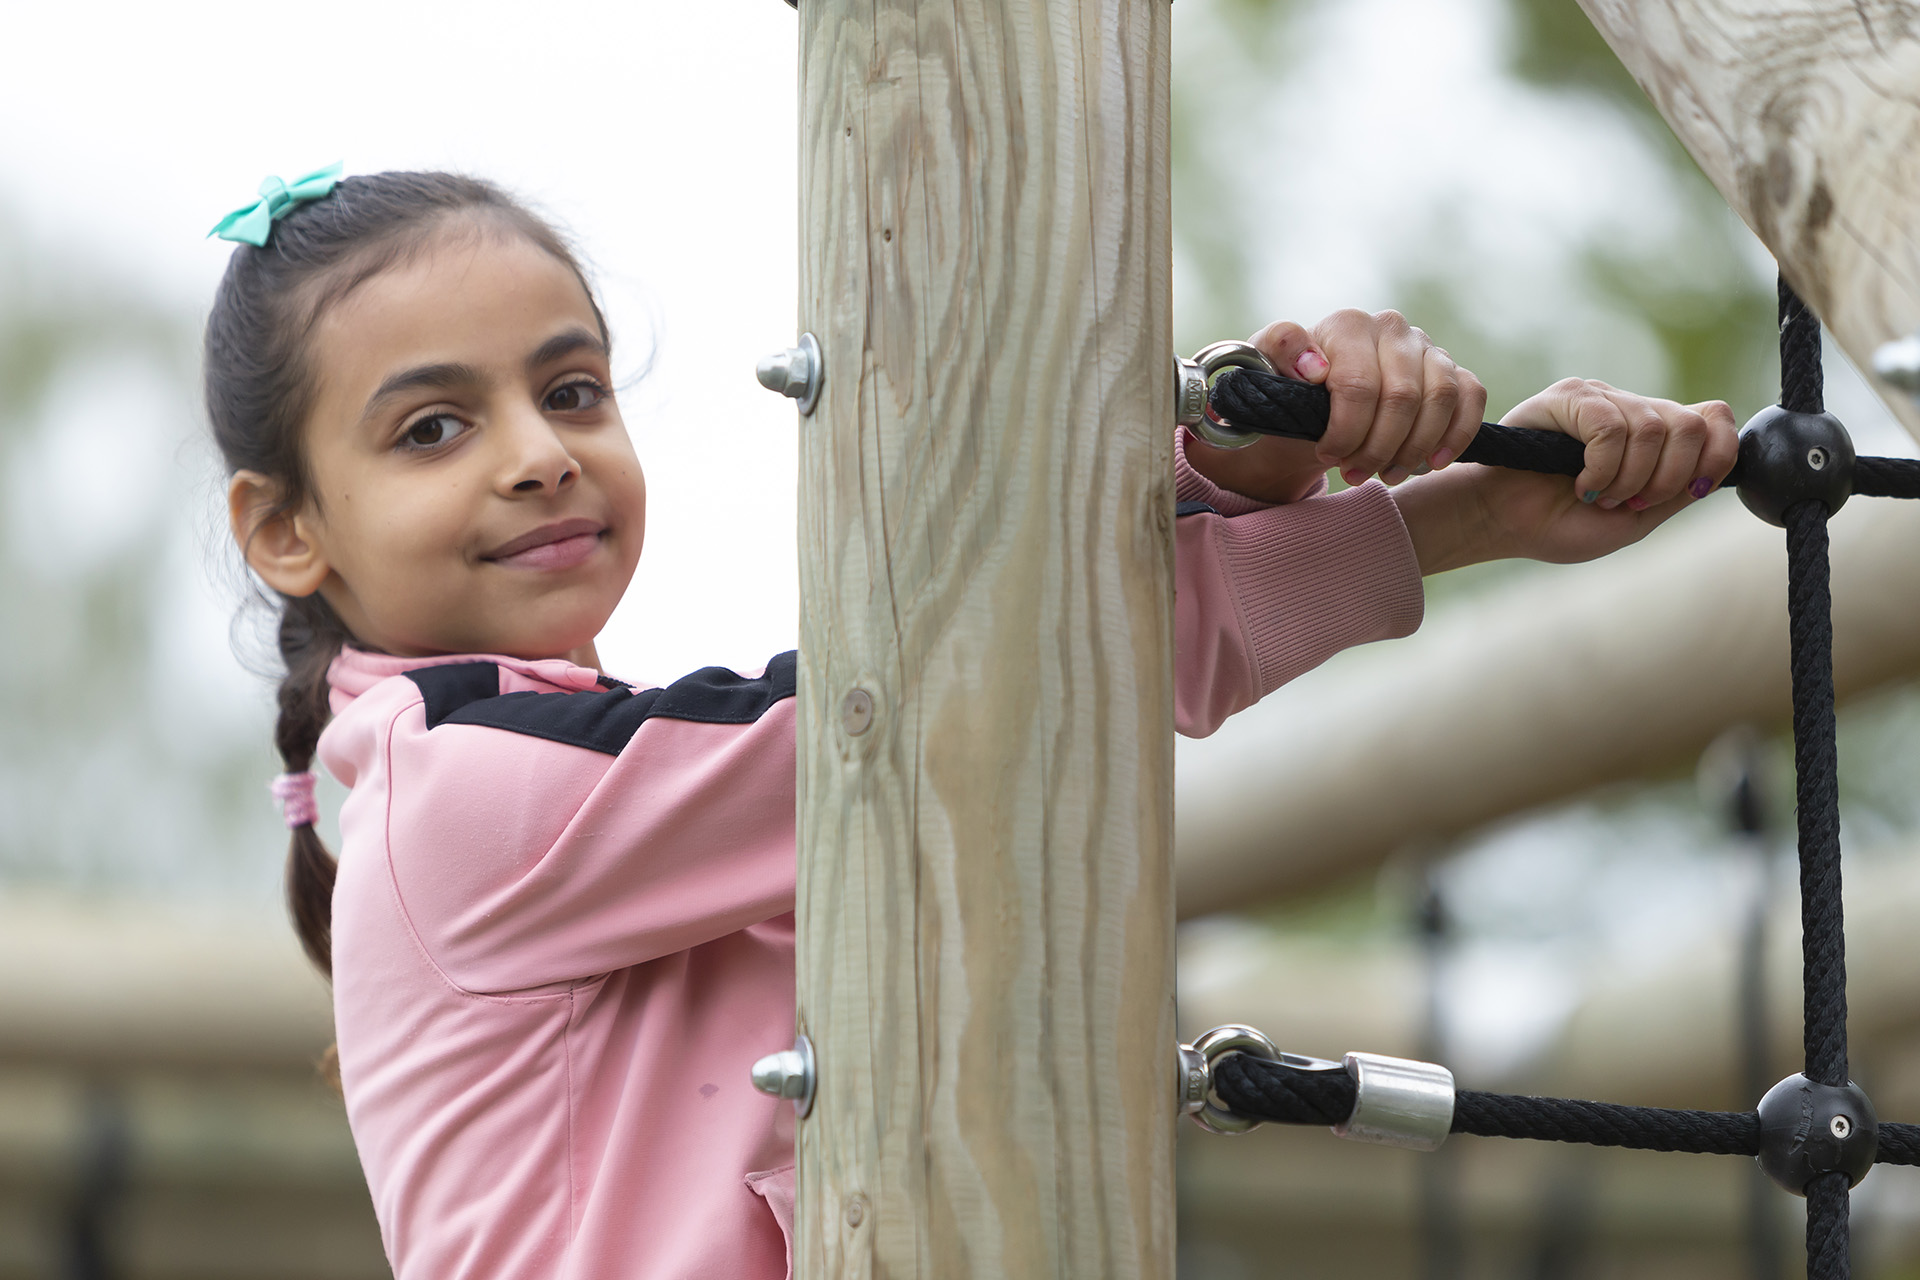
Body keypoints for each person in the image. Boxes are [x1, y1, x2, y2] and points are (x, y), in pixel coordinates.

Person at [206, 168, 1737, 1280]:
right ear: (287, 532)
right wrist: (1443, 517)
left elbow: (965, 695)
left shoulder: (578, 778)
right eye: (432, 428)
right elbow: (943, 712)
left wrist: (1240, 476)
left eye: (577, 389)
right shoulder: (471, 792)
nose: (540, 455)